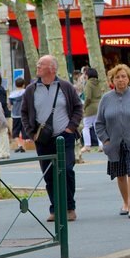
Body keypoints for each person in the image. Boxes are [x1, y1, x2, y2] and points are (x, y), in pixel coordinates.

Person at [22, 55, 84, 221]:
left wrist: (71, 128)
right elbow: (24, 112)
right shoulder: (31, 89)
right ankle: (55, 209)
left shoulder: (65, 86)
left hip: (64, 137)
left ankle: (70, 208)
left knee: (67, 171)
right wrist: (31, 133)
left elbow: (78, 108)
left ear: (52, 68)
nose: (37, 66)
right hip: (43, 139)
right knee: (49, 174)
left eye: (41, 64)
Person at [95, 64, 130, 219]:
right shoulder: (106, 99)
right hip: (113, 143)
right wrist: (105, 141)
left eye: (123, 76)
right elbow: (99, 123)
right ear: (112, 80)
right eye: (117, 77)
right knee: (121, 175)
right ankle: (125, 203)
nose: (120, 80)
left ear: (129, 78)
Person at [81, 68, 103, 153]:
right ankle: (101, 145)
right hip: (98, 106)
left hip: (90, 108)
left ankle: (87, 145)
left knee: (85, 126)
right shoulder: (98, 83)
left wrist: (84, 107)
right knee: (97, 126)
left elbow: (88, 97)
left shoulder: (88, 84)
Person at [9, 77, 26, 153]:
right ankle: (22, 145)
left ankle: (20, 145)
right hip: (24, 114)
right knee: (24, 131)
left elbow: (9, 105)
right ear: (23, 85)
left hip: (15, 115)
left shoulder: (12, 94)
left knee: (15, 132)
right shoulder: (26, 92)